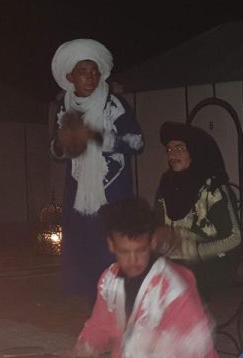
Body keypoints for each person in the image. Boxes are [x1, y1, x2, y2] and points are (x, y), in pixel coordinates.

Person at [72, 197, 218, 358]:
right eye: (124, 252)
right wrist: (81, 352)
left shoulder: (174, 287)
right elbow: (99, 326)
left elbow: (198, 357)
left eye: (140, 251)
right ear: (111, 245)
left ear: (151, 243)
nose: (133, 261)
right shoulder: (109, 280)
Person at [50, 38, 144, 301]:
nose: (90, 78)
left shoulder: (114, 106)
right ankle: (95, 310)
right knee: (84, 255)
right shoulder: (65, 107)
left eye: (94, 72)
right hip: (79, 197)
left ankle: (118, 305)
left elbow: (137, 143)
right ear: (70, 77)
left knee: (113, 252)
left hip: (113, 195)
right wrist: (60, 143)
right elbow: (58, 152)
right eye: (83, 72)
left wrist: (95, 137)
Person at [151, 122, 242, 300]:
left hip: (210, 264)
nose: (172, 154)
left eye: (179, 148)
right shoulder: (166, 186)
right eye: (169, 149)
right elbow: (158, 226)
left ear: (193, 152)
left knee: (178, 285)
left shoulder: (212, 189)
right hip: (175, 261)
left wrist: (195, 251)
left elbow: (234, 238)